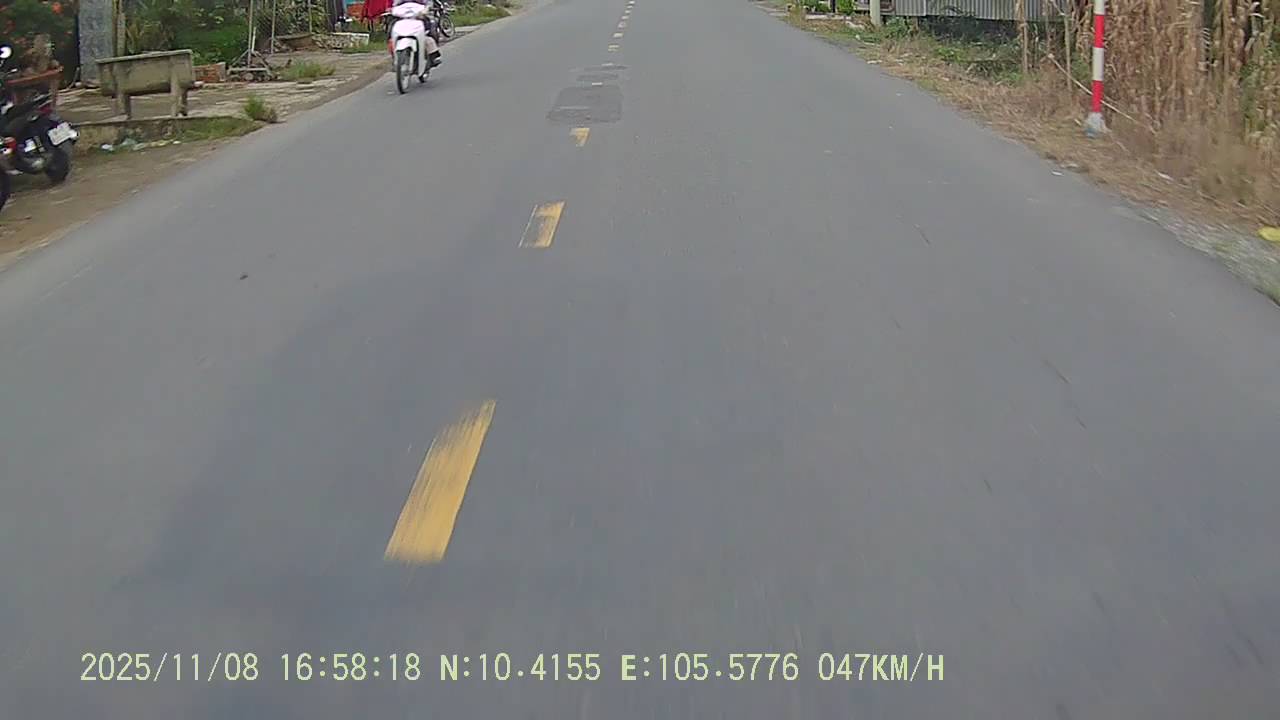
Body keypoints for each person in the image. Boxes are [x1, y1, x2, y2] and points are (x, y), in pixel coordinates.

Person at [390, 0, 442, 68]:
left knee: (430, 31)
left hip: (420, 17)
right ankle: (395, 58)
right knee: (392, 34)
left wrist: (427, 8)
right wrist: (392, 10)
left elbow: (428, 3)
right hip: (403, 19)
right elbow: (395, 5)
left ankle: (433, 55)